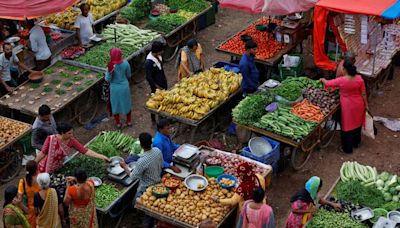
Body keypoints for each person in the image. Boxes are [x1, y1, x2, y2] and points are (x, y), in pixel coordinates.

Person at [320, 61, 368, 154]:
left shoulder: (342, 80)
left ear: (345, 70)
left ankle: (347, 149)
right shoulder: (359, 79)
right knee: (357, 124)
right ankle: (356, 143)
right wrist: (366, 105)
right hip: (359, 104)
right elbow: (364, 94)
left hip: (348, 106)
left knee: (347, 127)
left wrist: (322, 79)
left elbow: (328, 83)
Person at [120, 132, 164, 228]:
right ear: (151, 142)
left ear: (141, 145)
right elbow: (161, 165)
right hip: (159, 182)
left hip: (146, 188)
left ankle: (145, 221)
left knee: (138, 205)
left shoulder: (142, 161)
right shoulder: (157, 151)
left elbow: (132, 177)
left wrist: (125, 167)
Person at [35, 122, 109, 173]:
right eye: (69, 133)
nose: (72, 135)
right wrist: (33, 164)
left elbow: (85, 151)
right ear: (62, 133)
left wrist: (101, 156)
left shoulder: (72, 141)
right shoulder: (51, 139)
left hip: (57, 166)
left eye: (72, 133)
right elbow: (42, 153)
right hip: (45, 166)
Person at [105, 47, 132, 128]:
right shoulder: (126, 63)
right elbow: (129, 75)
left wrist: (110, 73)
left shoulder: (110, 66)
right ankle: (129, 121)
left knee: (115, 105)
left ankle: (118, 123)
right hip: (124, 87)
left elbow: (107, 79)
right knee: (127, 103)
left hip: (115, 88)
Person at [145, 41, 168, 124]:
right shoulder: (149, 62)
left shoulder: (159, 56)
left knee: (164, 100)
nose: (163, 52)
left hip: (163, 81)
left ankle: (163, 117)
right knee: (155, 102)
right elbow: (148, 77)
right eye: (161, 50)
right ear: (157, 51)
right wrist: (157, 87)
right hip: (156, 85)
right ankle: (154, 119)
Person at [18, 160, 40, 227]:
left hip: (31, 212)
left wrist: (26, 210)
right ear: (36, 170)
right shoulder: (41, 179)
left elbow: (19, 200)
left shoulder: (23, 182)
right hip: (42, 209)